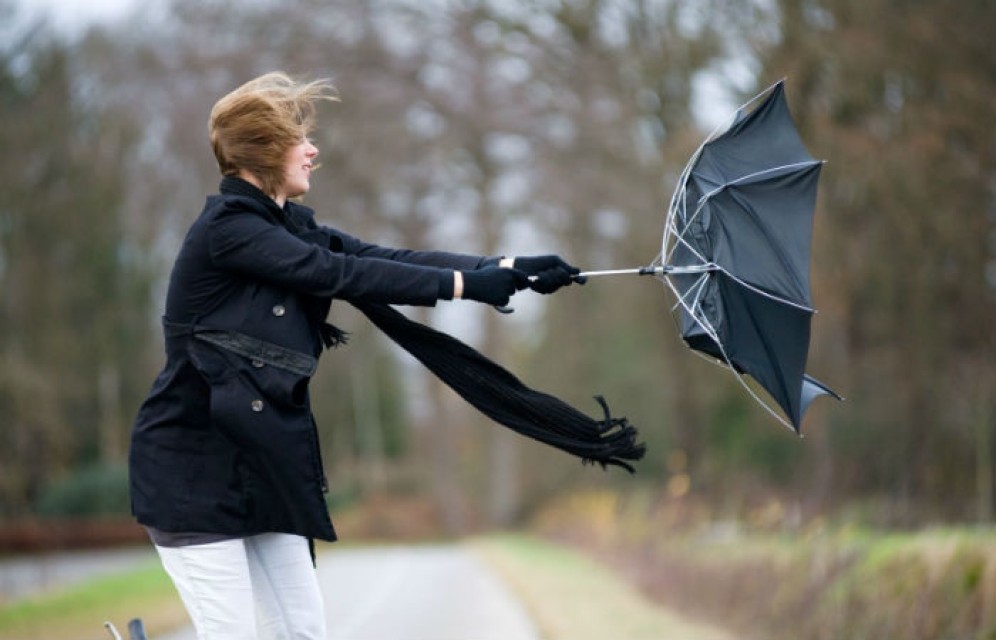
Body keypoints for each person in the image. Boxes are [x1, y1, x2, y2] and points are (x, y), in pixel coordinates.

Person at [127, 71, 580, 640]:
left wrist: (505, 267)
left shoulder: (288, 225)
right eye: (300, 139)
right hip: (193, 472)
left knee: (303, 631)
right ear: (266, 151)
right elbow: (338, 273)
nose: (313, 150)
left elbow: (380, 255)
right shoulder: (229, 232)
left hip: (263, 467)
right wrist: (466, 287)